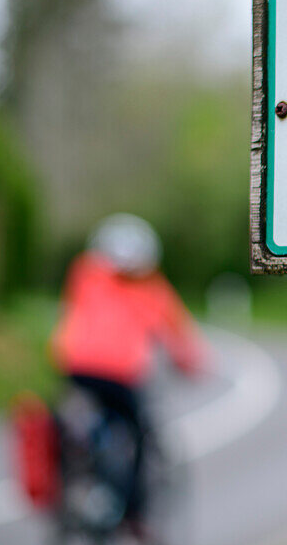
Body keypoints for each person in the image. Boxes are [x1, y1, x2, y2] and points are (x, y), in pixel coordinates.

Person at [50, 213, 205, 528]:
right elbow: (180, 339)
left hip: (73, 368)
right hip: (120, 376)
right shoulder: (152, 290)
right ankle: (133, 514)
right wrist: (191, 365)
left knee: (84, 418)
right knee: (140, 435)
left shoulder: (84, 273)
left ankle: (80, 472)